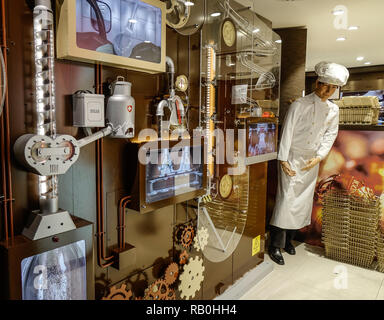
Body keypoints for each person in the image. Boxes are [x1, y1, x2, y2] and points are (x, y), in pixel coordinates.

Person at [268, 61, 350, 265]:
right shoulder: (299, 104)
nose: (328, 91)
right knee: (286, 201)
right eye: (325, 85)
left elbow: (331, 134)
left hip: (311, 161)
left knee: (302, 203)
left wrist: (320, 156)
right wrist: (283, 159)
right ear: (317, 82)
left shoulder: (333, 110)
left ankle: (289, 240)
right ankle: (274, 245)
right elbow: (287, 130)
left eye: (333, 88)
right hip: (293, 157)